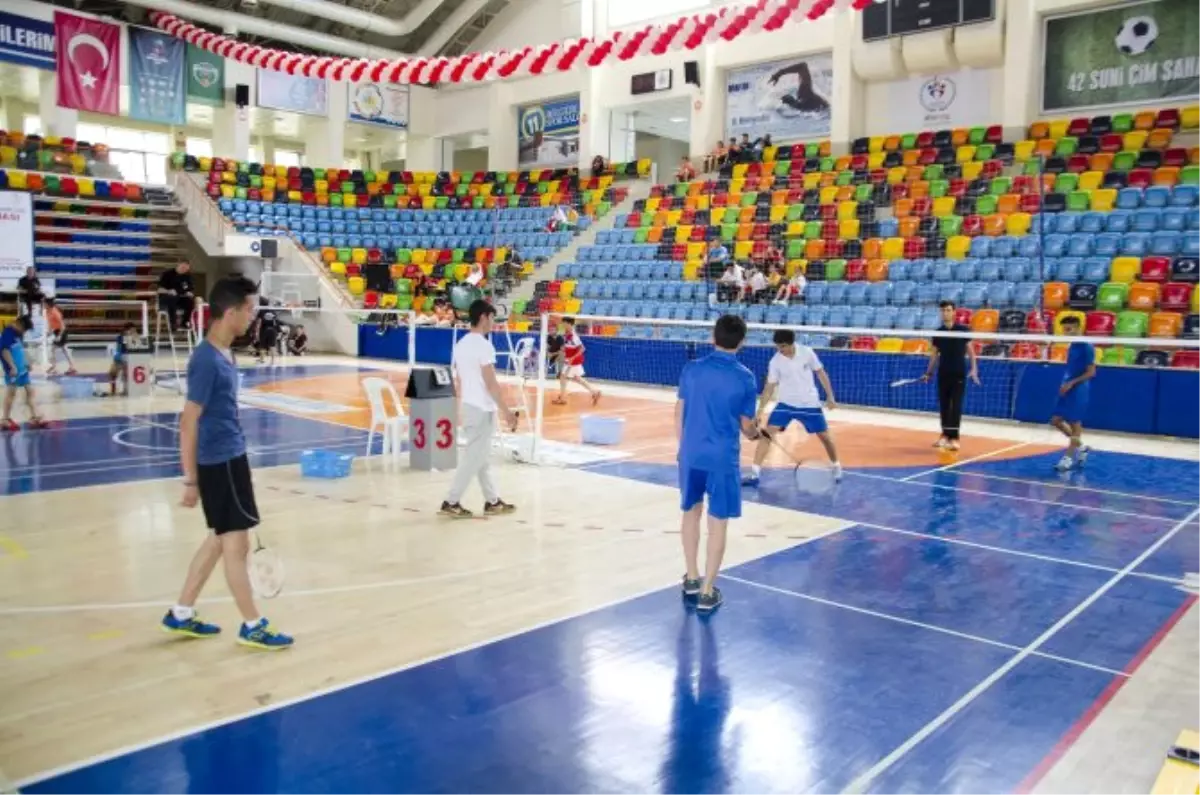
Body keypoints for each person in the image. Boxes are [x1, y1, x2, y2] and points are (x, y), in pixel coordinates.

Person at [162, 276, 293, 650]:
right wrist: (191, 480)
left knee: (219, 541)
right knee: (236, 546)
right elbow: (188, 420)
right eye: (250, 309)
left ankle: (181, 613)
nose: (253, 317)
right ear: (231, 311)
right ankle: (253, 625)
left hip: (229, 459)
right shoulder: (206, 360)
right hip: (220, 464)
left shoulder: (224, 353)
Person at [676, 315, 761, 614]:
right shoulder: (746, 378)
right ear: (742, 342)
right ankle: (708, 591)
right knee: (718, 522)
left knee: (690, 512)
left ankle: (691, 578)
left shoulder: (692, 370)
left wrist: (682, 449)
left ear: (713, 337)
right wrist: (754, 431)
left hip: (691, 454)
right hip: (722, 458)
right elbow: (747, 426)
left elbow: (679, 412)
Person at [439, 300, 518, 519]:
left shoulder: (461, 345)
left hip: (469, 406)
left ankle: (492, 501)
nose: (493, 323)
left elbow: (458, 380)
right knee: (474, 458)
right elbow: (491, 383)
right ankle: (451, 501)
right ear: (483, 317)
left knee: (481, 458)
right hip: (482, 409)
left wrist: (457, 408)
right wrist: (507, 411)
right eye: (492, 318)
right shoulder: (484, 346)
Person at [743, 329, 841, 486]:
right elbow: (770, 386)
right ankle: (755, 474)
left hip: (809, 403)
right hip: (786, 404)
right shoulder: (775, 361)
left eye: (783, 346)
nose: (780, 350)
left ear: (791, 343)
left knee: (825, 437)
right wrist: (760, 410)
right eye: (778, 347)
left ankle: (836, 465)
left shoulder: (807, 353)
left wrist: (830, 397)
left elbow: (821, 373)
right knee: (767, 434)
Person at [921, 300, 980, 451]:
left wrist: (974, 370)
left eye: (948, 310)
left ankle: (955, 438)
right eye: (943, 310)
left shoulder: (963, 330)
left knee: (956, 406)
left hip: (959, 374)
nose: (945, 313)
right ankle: (945, 435)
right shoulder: (938, 333)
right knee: (944, 406)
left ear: (954, 312)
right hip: (943, 374)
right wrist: (929, 373)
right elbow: (934, 355)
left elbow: (971, 352)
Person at [1051, 315, 1096, 472]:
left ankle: (1068, 458)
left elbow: (1091, 372)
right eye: (1064, 329)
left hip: (1079, 389)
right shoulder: (1072, 346)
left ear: (1078, 328)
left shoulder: (1086, 346)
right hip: (1067, 387)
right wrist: (1065, 383)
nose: (1066, 332)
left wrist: (1071, 383)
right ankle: (1082, 447)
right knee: (1056, 420)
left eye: (1069, 329)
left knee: (1075, 423)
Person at [0, 316, 46, 431]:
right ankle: (5, 419)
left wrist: (27, 361)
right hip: (13, 370)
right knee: (11, 394)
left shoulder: (18, 334)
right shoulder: (8, 333)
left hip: (22, 369)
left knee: (30, 391)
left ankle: (35, 417)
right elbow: (4, 350)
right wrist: (12, 366)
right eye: (24, 329)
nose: (24, 332)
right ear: (19, 324)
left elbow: (20, 349)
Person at [552, 317, 601, 406]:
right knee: (576, 378)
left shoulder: (573, 336)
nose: (563, 325)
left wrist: (572, 358)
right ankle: (594, 392)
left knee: (563, 377)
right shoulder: (567, 334)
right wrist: (563, 349)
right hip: (570, 359)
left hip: (572, 361)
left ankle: (562, 398)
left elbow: (582, 349)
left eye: (565, 323)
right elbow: (569, 346)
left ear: (569, 324)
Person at [157, 262, 196, 331]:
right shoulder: (167, 274)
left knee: (190, 302)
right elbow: (159, 290)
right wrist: (169, 291)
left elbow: (189, 289)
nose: (184, 270)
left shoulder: (187, 276)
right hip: (167, 298)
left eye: (186, 269)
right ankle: (173, 323)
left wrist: (189, 293)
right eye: (183, 268)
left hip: (180, 298)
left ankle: (185, 322)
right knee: (173, 298)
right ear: (178, 265)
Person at [43, 298, 77, 375]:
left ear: (48, 304)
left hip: (62, 332)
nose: (43, 305)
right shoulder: (47, 312)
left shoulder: (55, 312)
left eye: (44, 303)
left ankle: (55, 367)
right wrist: (49, 332)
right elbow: (50, 323)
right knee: (63, 350)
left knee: (55, 349)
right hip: (56, 331)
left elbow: (62, 326)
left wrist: (59, 336)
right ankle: (71, 367)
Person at [253, 297, 281, 366]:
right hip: (273, 330)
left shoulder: (261, 310)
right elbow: (276, 321)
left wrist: (256, 332)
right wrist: (278, 331)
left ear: (261, 303)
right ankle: (273, 362)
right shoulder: (273, 310)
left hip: (264, 329)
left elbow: (259, 322)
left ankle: (262, 360)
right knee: (272, 346)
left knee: (262, 346)